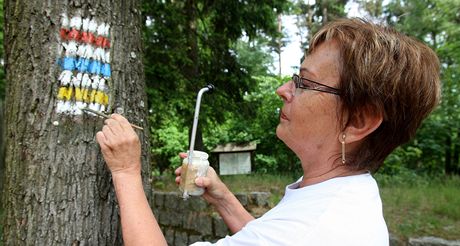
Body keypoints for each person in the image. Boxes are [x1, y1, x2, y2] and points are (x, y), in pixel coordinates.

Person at [96, 18, 441, 245]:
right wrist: (223, 198)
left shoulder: (313, 230)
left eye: (304, 83)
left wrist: (126, 171)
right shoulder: (347, 195)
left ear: (358, 122)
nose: (283, 89)